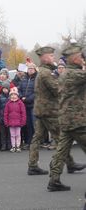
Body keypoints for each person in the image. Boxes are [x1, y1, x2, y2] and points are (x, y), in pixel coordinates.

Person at [28, 46, 85, 176]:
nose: (53, 58)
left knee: (37, 138)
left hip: (41, 109)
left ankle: (32, 164)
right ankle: (70, 164)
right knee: (61, 138)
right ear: (44, 57)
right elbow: (58, 89)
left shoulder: (43, 71)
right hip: (48, 111)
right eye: (51, 56)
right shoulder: (46, 73)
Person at [47, 44, 86, 191]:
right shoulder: (74, 74)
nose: (82, 59)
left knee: (61, 151)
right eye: (81, 57)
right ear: (75, 58)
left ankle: (54, 180)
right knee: (61, 151)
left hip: (65, 119)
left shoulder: (65, 73)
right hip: (77, 121)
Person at [18, 63, 37, 147]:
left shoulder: (37, 79)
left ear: (35, 69)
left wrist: (28, 99)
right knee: (28, 124)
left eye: (32, 68)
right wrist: (21, 96)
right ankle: (29, 142)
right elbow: (19, 89)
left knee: (34, 124)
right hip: (25, 105)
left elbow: (37, 92)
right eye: (29, 68)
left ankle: (36, 142)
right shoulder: (24, 79)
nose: (30, 70)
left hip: (34, 104)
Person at [4, 87, 26, 152]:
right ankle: (13, 146)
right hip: (11, 123)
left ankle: (18, 146)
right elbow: (5, 113)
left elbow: (23, 113)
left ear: (17, 96)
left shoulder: (20, 103)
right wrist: (6, 122)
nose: (13, 96)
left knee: (18, 135)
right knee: (12, 135)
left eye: (15, 95)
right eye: (12, 95)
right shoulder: (8, 104)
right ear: (10, 96)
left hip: (18, 123)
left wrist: (23, 121)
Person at [0, 81, 11, 151]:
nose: (5, 90)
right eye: (3, 88)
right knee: (2, 133)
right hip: (2, 118)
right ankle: (3, 145)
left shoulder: (11, 97)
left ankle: (9, 145)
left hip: (10, 119)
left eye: (6, 88)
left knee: (9, 133)